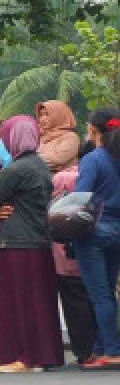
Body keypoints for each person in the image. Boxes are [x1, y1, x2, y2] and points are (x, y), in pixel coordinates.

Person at [0, 116, 63, 371]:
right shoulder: (40, 165)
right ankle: (42, 355)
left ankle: (20, 356)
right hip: (38, 240)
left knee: (17, 301)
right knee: (38, 302)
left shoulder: (15, 170)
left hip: (17, 242)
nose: (3, 141)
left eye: (4, 136)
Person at [72, 108, 120, 369]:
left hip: (95, 231)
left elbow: (81, 198)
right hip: (117, 229)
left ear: (93, 130)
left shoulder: (93, 159)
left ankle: (112, 349)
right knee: (110, 291)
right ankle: (103, 347)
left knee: (99, 294)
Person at [51, 142, 98, 366]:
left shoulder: (62, 178)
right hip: (97, 249)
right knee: (97, 298)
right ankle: (102, 346)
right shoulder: (110, 173)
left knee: (73, 302)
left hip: (65, 250)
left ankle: (83, 351)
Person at [36, 100, 80, 173]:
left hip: (62, 182)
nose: (42, 119)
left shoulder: (70, 137)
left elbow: (58, 159)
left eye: (47, 115)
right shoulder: (40, 136)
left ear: (59, 115)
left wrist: (31, 161)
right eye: (41, 115)